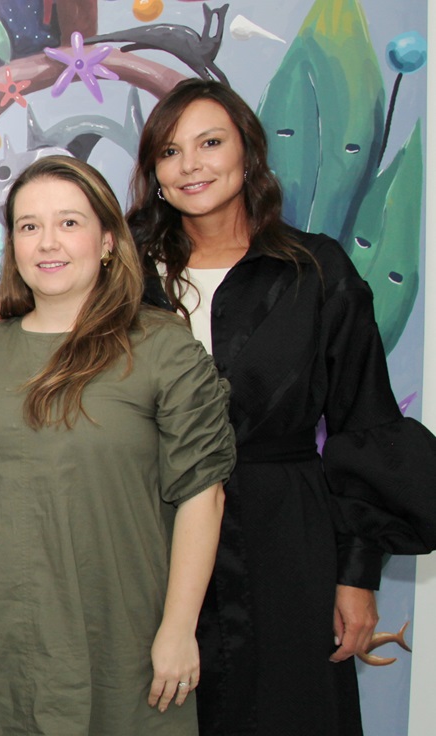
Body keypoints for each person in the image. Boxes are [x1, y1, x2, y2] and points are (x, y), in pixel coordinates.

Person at [125, 79, 436, 735]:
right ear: (154, 172)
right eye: (171, 152)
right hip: (151, 533)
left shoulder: (316, 270)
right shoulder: (126, 275)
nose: (192, 166)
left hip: (286, 536)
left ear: (248, 151)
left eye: (211, 143)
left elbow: (366, 422)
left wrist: (356, 577)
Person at [0, 155, 233, 734]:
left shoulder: (162, 347)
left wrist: (179, 628)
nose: (47, 242)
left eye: (69, 222)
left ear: (107, 240)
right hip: (7, 644)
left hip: (128, 642)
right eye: (29, 226)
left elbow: (202, 496)